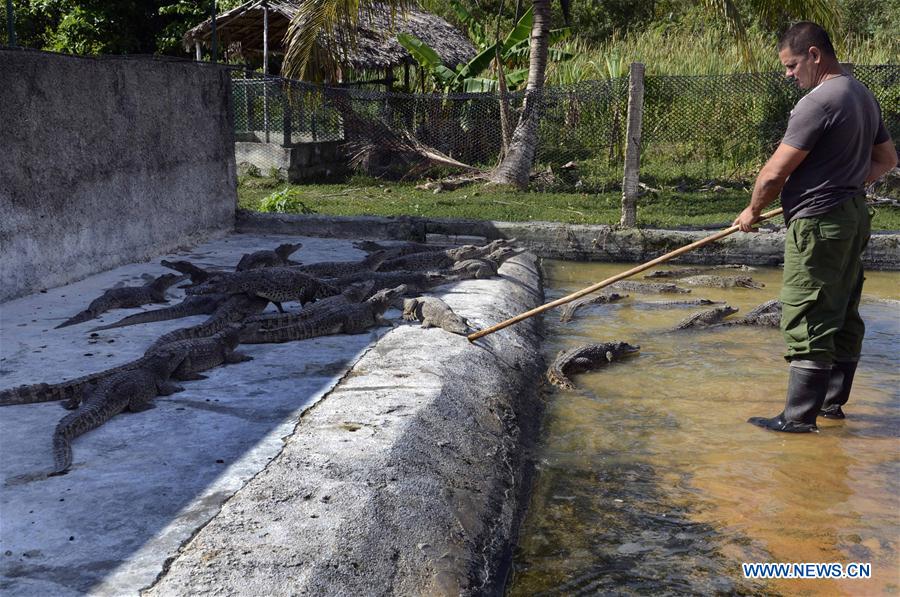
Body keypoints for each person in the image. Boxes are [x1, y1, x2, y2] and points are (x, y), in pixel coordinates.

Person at [733, 21, 898, 433]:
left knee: (807, 308)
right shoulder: (860, 94)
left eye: (791, 66)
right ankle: (830, 406)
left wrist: (752, 211)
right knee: (841, 309)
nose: (789, 75)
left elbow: (773, 174)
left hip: (820, 224)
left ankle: (797, 419)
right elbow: (887, 160)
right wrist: (846, 183)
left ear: (814, 55)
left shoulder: (818, 102)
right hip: (852, 215)